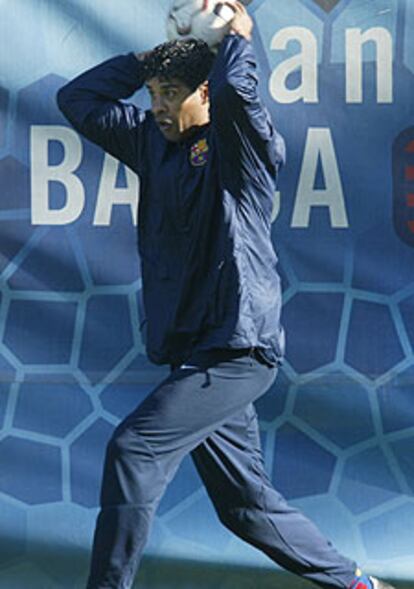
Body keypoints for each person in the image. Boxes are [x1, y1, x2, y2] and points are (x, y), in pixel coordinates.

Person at [57, 3, 395, 589]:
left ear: (206, 95)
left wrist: (237, 38)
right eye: (154, 94)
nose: (158, 106)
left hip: (238, 353)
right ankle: (359, 584)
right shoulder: (150, 142)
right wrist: (147, 63)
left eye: (172, 94)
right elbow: (77, 102)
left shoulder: (243, 150)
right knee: (245, 507)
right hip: (197, 351)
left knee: (134, 449)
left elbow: (238, 98)